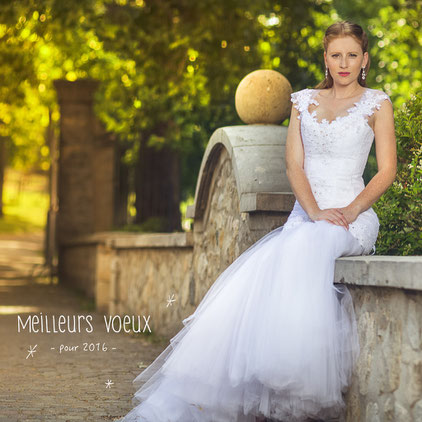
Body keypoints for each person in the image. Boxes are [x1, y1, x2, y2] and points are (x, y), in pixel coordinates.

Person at [117, 20, 396, 422]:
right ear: (326, 58)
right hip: (310, 213)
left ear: (364, 58)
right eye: (336, 55)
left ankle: (291, 372)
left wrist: (350, 211)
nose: (344, 63)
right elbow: (293, 164)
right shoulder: (302, 102)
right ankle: (245, 381)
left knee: (308, 246)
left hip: (354, 216)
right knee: (279, 255)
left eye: (352, 55)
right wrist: (315, 211)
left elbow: (387, 170)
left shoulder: (377, 103)